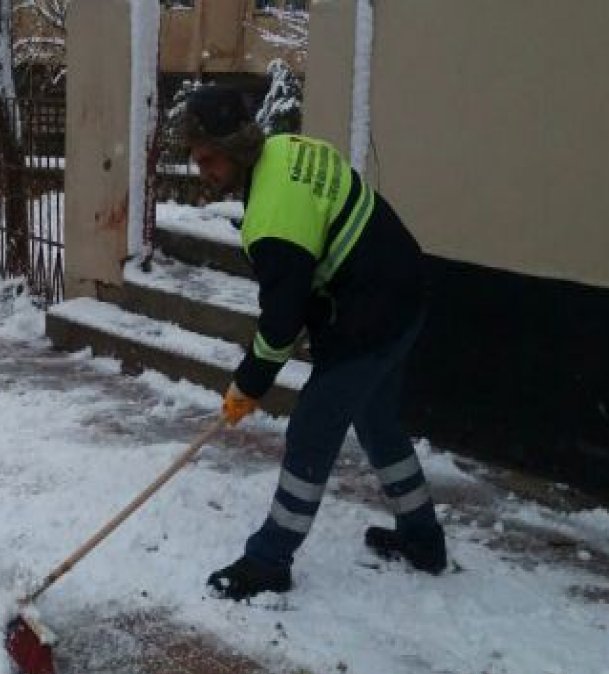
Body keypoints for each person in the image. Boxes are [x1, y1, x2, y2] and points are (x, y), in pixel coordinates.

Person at [180, 85, 448, 600]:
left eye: (208, 159)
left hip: (376, 308)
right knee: (376, 421)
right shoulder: (282, 151)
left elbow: (282, 324)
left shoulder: (272, 220)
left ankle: (269, 559)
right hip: (405, 283)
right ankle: (423, 539)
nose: (202, 172)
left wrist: (247, 386)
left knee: (311, 430)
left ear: (235, 148)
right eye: (196, 160)